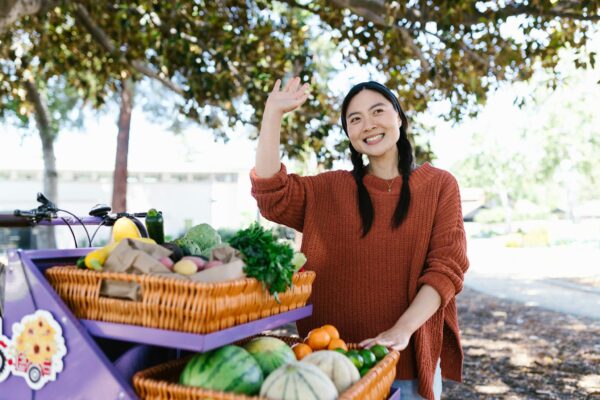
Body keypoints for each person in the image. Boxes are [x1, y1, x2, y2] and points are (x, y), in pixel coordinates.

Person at [250, 76, 469, 400]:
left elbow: (447, 269)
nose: (368, 124)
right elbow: (272, 194)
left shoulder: (439, 185)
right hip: (329, 368)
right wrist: (273, 114)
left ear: (398, 117)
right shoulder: (328, 189)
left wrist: (401, 331)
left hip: (404, 365)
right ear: (349, 134)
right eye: (355, 119)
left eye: (378, 111)